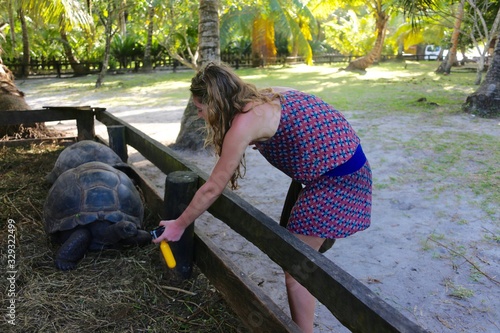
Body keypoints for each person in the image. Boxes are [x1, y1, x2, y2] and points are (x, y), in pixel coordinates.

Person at [153, 62, 372, 332]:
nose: (199, 116)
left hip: (338, 181)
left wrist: (179, 224)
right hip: (343, 166)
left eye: (200, 109)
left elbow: (213, 186)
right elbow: (306, 117)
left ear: (216, 102)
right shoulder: (265, 96)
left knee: (297, 269)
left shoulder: (244, 123)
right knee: (300, 256)